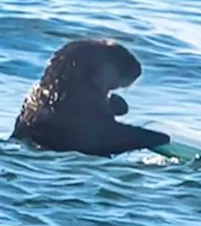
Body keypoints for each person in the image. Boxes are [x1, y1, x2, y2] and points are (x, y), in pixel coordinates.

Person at [12, 39, 170, 157]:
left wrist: (109, 107)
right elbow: (99, 139)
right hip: (60, 156)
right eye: (111, 86)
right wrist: (154, 138)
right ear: (100, 70)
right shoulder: (80, 101)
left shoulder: (39, 96)